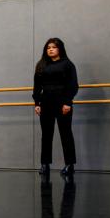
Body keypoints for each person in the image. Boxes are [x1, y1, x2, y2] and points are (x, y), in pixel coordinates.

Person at [33, 37, 79, 179]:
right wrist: (37, 103)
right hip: (46, 102)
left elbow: (73, 85)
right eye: (48, 48)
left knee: (66, 134)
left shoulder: (68, 65)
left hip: (62, 102)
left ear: (60, 49)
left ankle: (70, 165)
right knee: (46, 135)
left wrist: (68, 102)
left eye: (53, 47)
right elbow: (37, 86)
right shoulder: (41, 65)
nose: (51, 49)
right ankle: (45, 164)